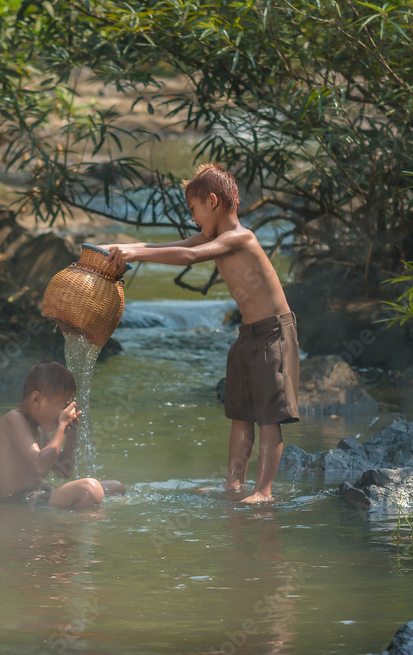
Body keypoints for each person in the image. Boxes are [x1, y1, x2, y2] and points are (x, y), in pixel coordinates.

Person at [102, 163, 299, 503]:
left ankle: (263, 491)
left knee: (268, 416)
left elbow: (189, 255)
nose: (193, 219)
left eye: (193, 210)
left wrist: (134, 252)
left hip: (273, 334)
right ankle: (232, 485)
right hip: (248, 333)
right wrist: (121, 246)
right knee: (240, 413)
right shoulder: (216, 237)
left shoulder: (241, 238)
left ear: (212, 201)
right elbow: (173, 246)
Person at [0, 361, 125, 509]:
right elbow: (40, 467)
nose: (66, 412)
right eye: (64, 406)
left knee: (116, 488)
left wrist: (71, 435)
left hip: (35, 497)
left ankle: (82, 526)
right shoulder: (13, 419)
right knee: (90, 488)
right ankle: (80, 530)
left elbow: (64, 471)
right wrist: (61, 427)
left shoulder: (39, 427)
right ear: (37, 399)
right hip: (15, 504)